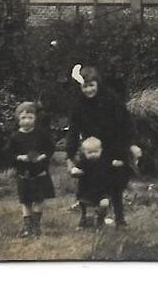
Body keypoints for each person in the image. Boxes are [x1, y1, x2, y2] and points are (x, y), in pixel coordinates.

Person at [65, 64, 142, 228]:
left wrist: (131, 145)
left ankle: (120, 219)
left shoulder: (111, 99)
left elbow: (126, 124)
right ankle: (86, 217)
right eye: (84, 87)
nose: (88, 90)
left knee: (116, 184)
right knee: (86, 181)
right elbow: (73, 130)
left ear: (97, 84)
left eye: (91, 85)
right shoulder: (79, 105)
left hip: (113, 145)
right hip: (92, 148)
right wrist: (71, 155)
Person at [8, 100, 56, 238]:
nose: (27, 121)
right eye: (23, 118)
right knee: (26, 201)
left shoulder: (41, 134)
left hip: (40, 173)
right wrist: (19, 158)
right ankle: (27, 227)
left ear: (35, 118)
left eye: (30, 117)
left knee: (39, 199)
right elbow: (9, 154)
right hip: (24, 174)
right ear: (18, 119)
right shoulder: (15, 137)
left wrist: (43, 156)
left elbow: (50, 148)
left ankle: (36, 226)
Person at [69, 135, 112, 229]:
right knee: (87, 210)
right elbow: (75, 170)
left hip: (102, 191)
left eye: (95, 152)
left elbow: (111, 172)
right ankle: (84, 223)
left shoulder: (104, 162)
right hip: (86, 191)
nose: (93, 154)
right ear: (84, 153)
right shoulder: (84, 162)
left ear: (101, 150)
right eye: (89, 152)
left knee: (104, 204)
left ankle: (100, 218)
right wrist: (75, 171)